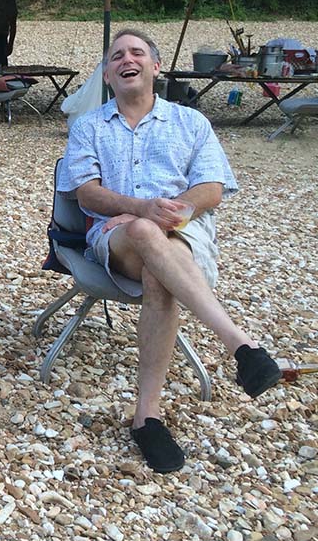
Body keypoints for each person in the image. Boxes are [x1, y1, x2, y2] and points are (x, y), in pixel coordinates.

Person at [58, 28, 283, 474]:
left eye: (137, 52)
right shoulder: (88, 125)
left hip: (183, 235)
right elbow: (85, 193)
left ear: (155, 66)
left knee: (158, 273)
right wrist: (140, 210)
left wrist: (175, 213)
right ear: (107, 73)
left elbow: (212, 188)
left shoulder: (190, 122)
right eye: (117, 55)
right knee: (142, 229)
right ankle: (240, 345)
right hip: (114, 236)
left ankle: (147, 417)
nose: (127, 59)